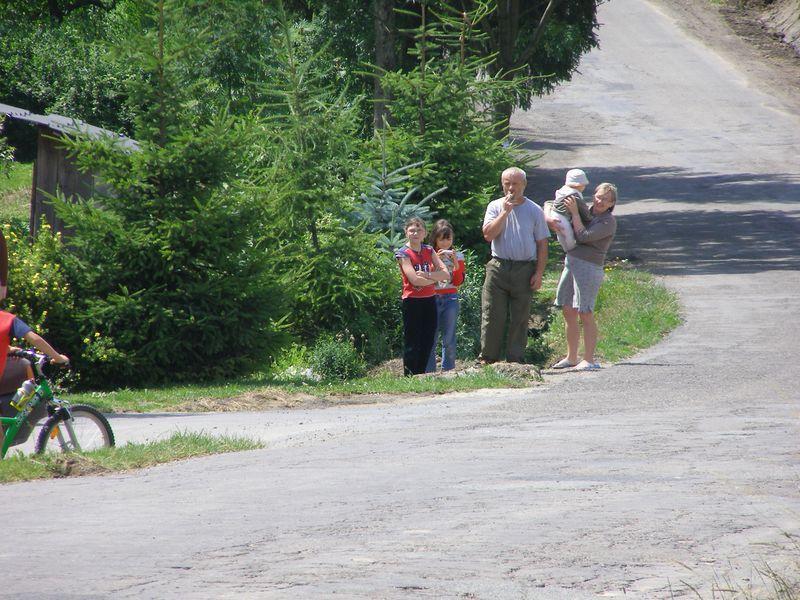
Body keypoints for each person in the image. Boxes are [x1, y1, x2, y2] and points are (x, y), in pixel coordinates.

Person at [545, 182, 618, 371]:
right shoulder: (587, 210)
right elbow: (550, 204)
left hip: (589, 266)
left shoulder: (608, 221)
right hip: (571, 262)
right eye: (599, 196)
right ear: (593, 195)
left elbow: (583, 236)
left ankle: (589, 359)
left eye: (606, 200)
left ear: (611, 204)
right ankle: (571, 356)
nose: (600, 201)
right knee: (568, 309)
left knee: (585, 311)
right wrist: (553, 218)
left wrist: (575, 214)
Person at [480, 167, 550, 364]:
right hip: (498, 266)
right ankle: (488, 358)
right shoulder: (495, 206)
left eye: (515, 183)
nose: (511, 188)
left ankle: (515, 359)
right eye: (507, 184)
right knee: (492, 313)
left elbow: (542, 244)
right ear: (502, 185)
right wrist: (504, 213)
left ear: (524, 185)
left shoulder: (534, 210)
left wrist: (539, 273)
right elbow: (488, 235)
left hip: (524, 268)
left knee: (520, 316)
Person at [395, 218, 450, 376]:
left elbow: (446, 273)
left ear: (425, 233)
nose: (415, 233)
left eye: (419, 230)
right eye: (411, 230)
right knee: (413, 340)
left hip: (429, 299)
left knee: (428, 339)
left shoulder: (429, 250)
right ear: (406, 232)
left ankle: (421, 375)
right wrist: (435, 278)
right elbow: (414, 279)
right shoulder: (403, 253)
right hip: (412, 300)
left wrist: (427, 275)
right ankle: (410, 375)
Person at [425, 220, 466, 373]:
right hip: (432, 297)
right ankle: (429, 372)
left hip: (451, 298)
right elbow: (426, 278)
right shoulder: (428, 254)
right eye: (441, 239)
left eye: (448, 239)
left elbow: (458, 281)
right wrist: (437, 261)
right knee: (431, 336)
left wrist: (455, 262)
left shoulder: (458, 255)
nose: (445, 243)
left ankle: (448, 370)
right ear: (435, 238)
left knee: (449, 337)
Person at [550, 169, 592, 252]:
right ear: (580, 185)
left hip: (554, 213)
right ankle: (571, 249)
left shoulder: (563, 190)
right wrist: (589, 218)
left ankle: (565, 248)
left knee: (560, 233)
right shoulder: (574, 196)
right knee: (568, 232)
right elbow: (583, 209)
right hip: (561, 217)